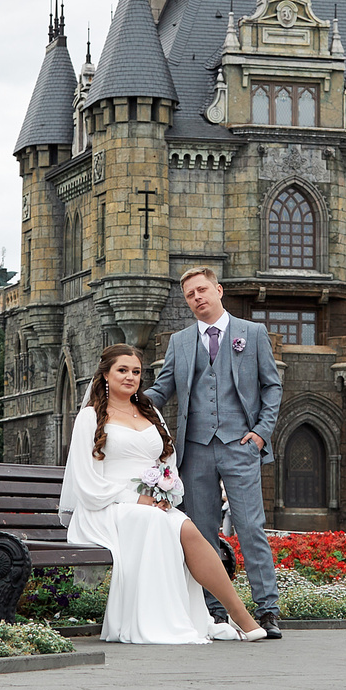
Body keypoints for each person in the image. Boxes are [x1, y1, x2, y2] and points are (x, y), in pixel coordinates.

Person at [58, 343, 266, 644]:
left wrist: (166, 492)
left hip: (151, 503)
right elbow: (85, 481)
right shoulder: (90, 418)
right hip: (105, 507)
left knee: (184, 526)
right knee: (159, 523)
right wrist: (134, 498)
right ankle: (168, 619)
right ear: (105, 374)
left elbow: (167, 464)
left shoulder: (150, 411)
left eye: (137, 372)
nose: (130, 377)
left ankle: (238, 614)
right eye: (122, 370)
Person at [139, 267, 283, 638]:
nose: (197, 298)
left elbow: (272, 387)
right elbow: (162, 389)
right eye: (190, 294)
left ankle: (268, 610)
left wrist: (260, 434)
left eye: (202, 290)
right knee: (202, 534)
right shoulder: (180, 342)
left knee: (251, 528)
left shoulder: (253, 334)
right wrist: (127, 402)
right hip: (195, 450)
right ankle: (214, 613)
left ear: (218, 290)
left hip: (240, 446)